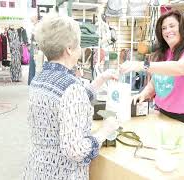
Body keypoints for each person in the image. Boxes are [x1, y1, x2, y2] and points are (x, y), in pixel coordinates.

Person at [23, 15, 120, 180]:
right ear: (69, 48)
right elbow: (76, 150)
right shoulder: (71, 87)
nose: (80, 48)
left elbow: (68, 102)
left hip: (36, 170)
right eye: (79, 44)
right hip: (63, 174)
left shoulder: (39, 79)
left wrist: (100, 80)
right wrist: (105, 130)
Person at [120, 10, 184, 132]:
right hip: (162, 114)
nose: (167, 31)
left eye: (172, 26)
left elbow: (181, 68)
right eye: (164, 28)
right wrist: (144, 94)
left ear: (182, 28)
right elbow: (156, 79)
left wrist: (142, 65)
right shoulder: (165, 52)